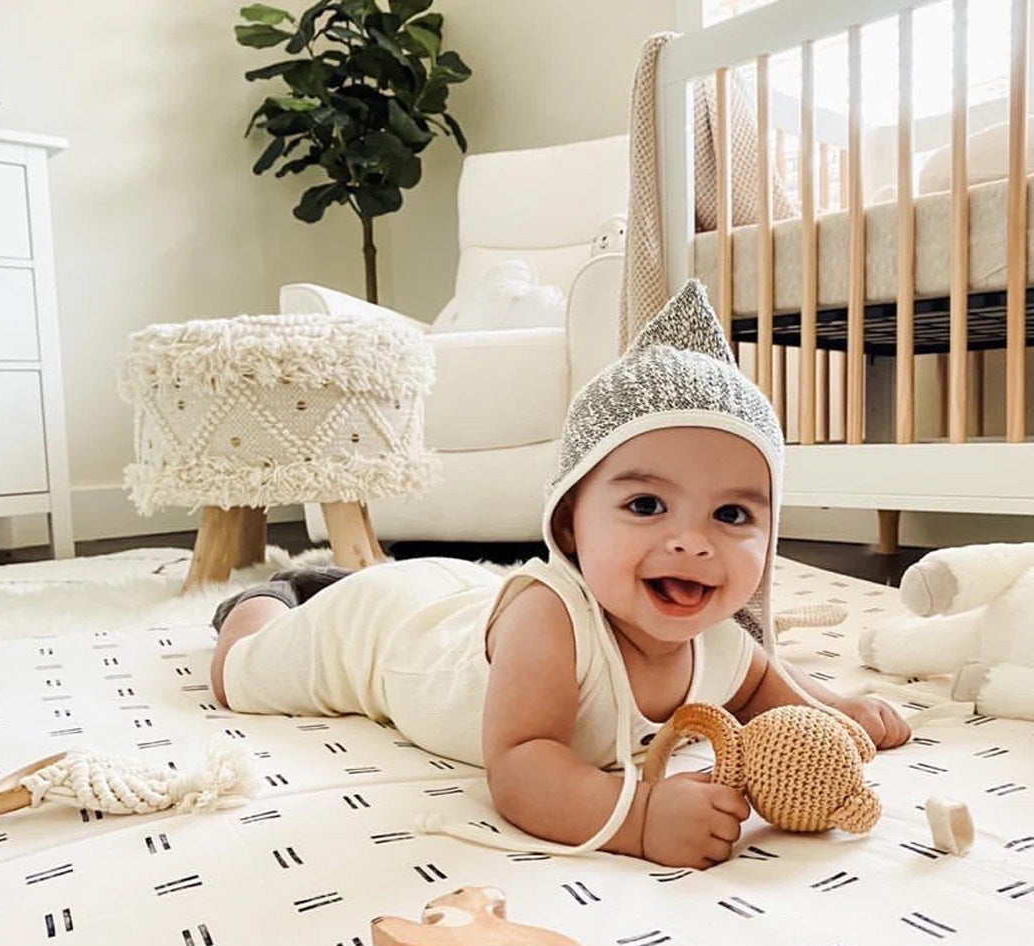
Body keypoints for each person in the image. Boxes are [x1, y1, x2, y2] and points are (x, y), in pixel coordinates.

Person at [210, 280, 910, 869]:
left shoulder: (719, 633)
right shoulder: (552, 622)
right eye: (647, 506)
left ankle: (327, 579)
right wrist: (640, 817)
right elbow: (521, 763)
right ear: (571, 524)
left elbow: (759, 684)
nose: (692, 544)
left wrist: (831, 709)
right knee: (238, 675)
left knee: (465, 591)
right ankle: (274, 594)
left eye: (731, 515)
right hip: (386, 632)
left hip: (463, 595)